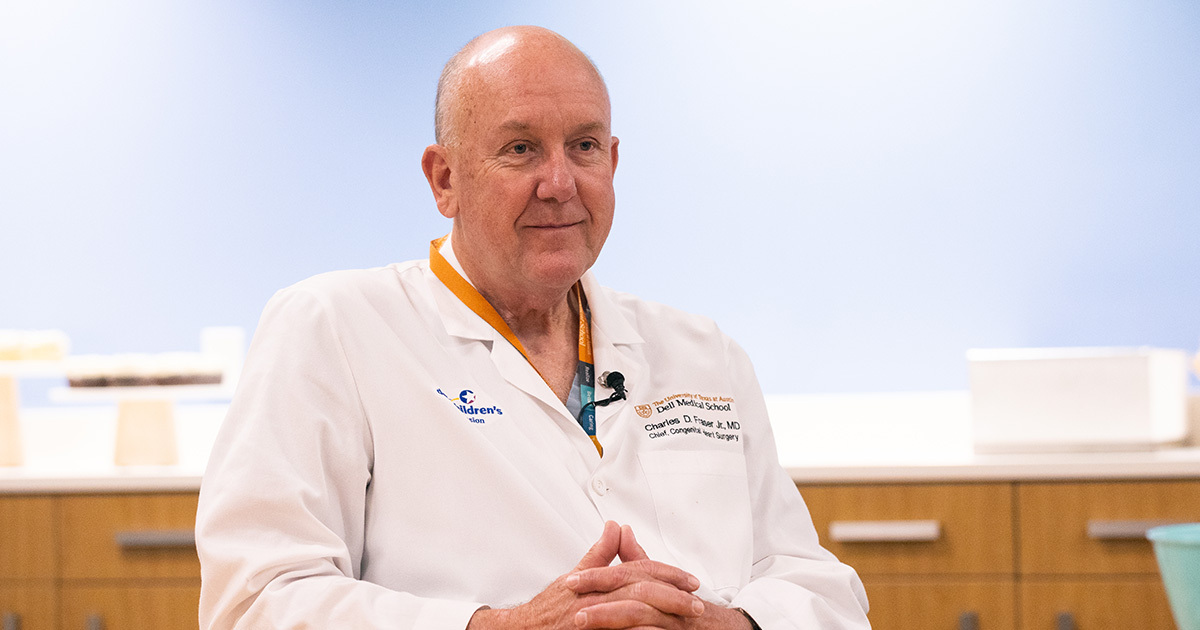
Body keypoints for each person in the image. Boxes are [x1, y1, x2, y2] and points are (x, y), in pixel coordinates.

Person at [195, 25, 870, 630]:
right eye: (520, 148)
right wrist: (500, 629)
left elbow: (818, 587)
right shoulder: (333, 328)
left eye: (582, 147)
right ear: (445, 179)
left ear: (613, 162)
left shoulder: (702, 352)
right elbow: (255, 601)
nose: (559, 182)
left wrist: (724, 623)